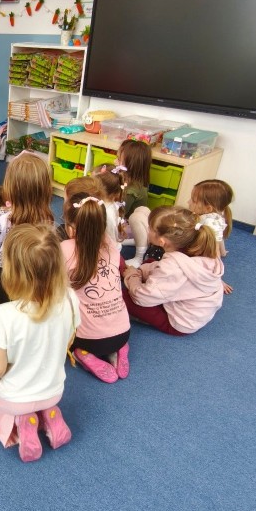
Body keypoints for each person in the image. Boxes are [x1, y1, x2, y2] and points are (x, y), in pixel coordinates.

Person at [0, 224, 80, 462]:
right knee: (34, 392)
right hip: (54, 392)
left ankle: (23, 421)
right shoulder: (70, 299)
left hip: (15, 399)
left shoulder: (2, 315)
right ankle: (49, 414)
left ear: (12, 273)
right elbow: (69, 336)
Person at [0, 152, 54, 318]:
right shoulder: (47, 219)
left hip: (2, 276)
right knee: (23, 316)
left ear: (10, 187)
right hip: (31, 277)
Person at [61, 193, 131, 383]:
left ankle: (83, 354)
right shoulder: (111, 246)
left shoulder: (65, 248)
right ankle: (119, 350)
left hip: (88, 340)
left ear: (71, 229)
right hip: (123, 333)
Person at [122, 206, 224, 335]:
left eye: (150, 228)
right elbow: (158, 266)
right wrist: (141, 271)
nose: (147, 230)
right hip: (197, 309)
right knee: (150, 263)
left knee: (122, 297)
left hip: (181, 323)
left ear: (162, 241)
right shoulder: (200, 248)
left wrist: (132, 276)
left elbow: (142, 297)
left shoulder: (171, 267)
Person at [189, 178, 235, 295]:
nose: (188, 202)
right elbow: (219, 237)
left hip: (202, 253)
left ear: (208, 208)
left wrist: (218, 280)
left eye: (193, 201)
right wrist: (223, 251)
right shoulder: (217, 213)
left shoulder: (210, 223)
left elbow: (215, 255)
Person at [117, 139, 152, 267]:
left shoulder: (131, 191)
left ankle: (139, 256)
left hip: (131, 225)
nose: (115, 162)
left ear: (130, 165)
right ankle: (135, 241)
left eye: (118, 160)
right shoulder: (136, 181)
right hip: (134, 223)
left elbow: (120, 213)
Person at [92, 163, 127, 251]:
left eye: (92, 183)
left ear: (98, 190)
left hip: (109, 251)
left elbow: (111, 242)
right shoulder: (109, 204)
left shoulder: (107, 213)